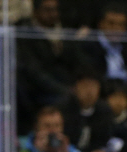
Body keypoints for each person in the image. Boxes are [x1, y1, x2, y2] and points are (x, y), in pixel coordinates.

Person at [16, 0, 83, 129]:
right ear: (35, 12)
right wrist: (63, 90)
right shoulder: (26, 34)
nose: (52, 14)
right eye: (47, 10)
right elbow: (33, 72)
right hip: (39, 91)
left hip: (65, 85)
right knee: (67, 101)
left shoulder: (64, 32)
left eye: (55, 10)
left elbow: (77, 61)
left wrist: (80, 84)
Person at [78, 2, 127, 84]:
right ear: (101, 24)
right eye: (111, 23)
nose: (117, 29)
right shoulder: (89, 47)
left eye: (121, 24)